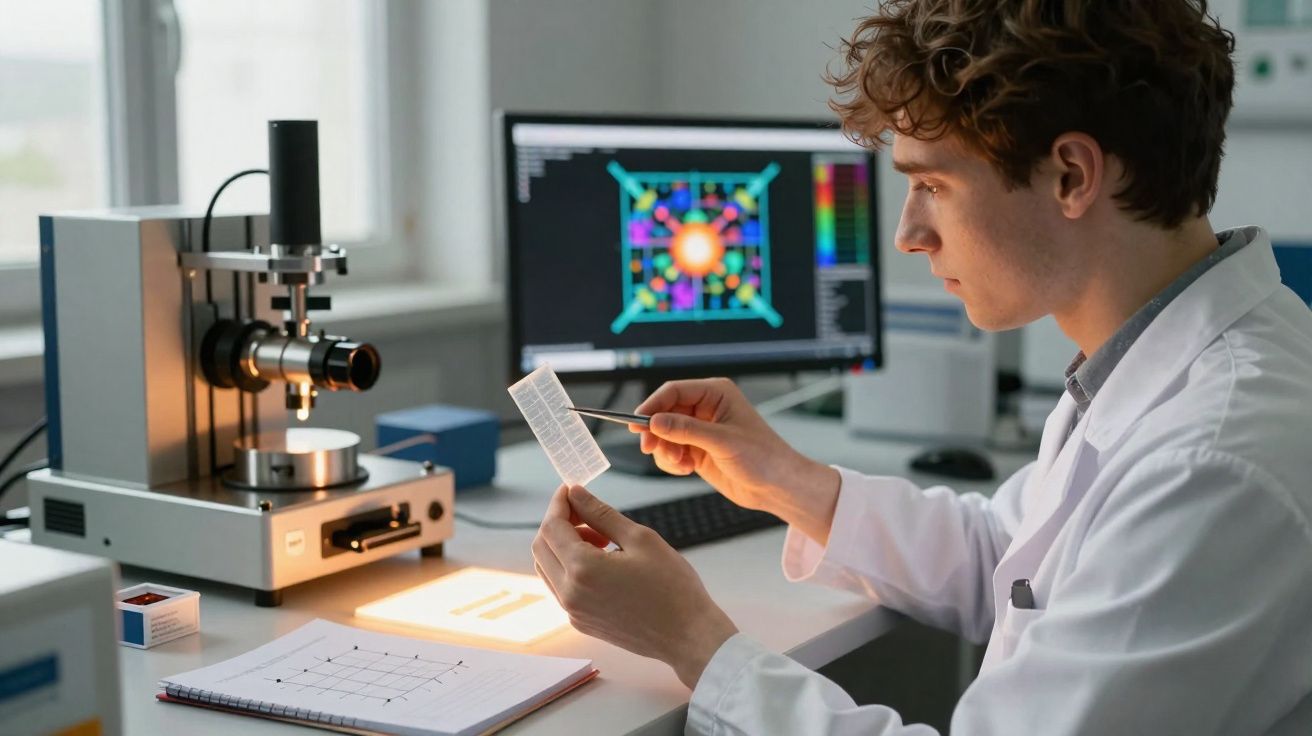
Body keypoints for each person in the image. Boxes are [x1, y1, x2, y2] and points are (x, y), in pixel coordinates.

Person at [531, 0, 1312, 732]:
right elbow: (1005, 560)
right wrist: (778, 476)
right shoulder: (1146, 363)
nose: (908, 233)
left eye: (933, 184)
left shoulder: (1213, 460)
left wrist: (694, 640)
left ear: (1072, 175)